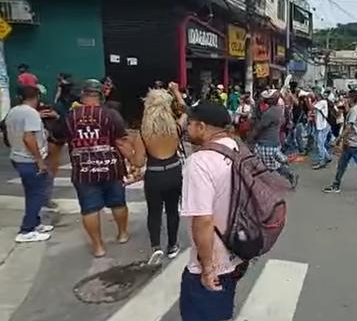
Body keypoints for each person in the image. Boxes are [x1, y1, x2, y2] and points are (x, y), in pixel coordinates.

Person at [179, 103, 244, 321]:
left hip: (214, 259)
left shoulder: (200, 162)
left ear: (202, 126)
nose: (187, 129)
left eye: (190, 124)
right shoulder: (238, 149)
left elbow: (203, 220)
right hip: (239, 248)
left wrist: (207, 268)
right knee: (222, 309)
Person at [61, 79, 133, 257]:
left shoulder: (70, 117)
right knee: (118, 203)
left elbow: (55, 141)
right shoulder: (111, 115)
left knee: (89, 209)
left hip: (83, 171)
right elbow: (122, 142)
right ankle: (122, 234)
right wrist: (133, 161)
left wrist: (49, 164)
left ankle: (98, 246)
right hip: (111, 168)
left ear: (82, 96)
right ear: (100, 96)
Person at [130, 83, 186, 263]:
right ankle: (172, 245)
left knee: (154, 212)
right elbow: (187, 112)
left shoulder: (142, 133)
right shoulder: (175, 128)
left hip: (154, 175)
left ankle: (156, 247)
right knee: (172, 211)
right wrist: (177, 92)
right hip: (174, 172)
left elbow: (138, 162)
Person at [5, 86, 54, 243]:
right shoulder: (31, 113)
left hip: (17, 157)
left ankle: (35, 222)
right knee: (36, 195)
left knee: (32, 193)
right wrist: (39, 161)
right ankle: (26, 230)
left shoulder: (13, 111)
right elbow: (28, 138)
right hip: (29, 160)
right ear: (37, 96)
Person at [248, 90, 298, 188]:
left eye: (267, 99)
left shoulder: (270, 113)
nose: (264, 100)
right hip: (273, 141)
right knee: (269, 164)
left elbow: (259, 127)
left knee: (270, 165)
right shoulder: (279, 109)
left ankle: (289, 175)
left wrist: (250, 139)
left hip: (265, 143)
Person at [311, 86, 332, 170]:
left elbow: (311, 107)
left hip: (322, 126)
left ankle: (321, 161)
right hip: (322, 125)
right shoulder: (322, 101)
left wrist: (308, 100)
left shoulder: (322, 102)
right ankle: (327, 157)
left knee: (320, 144)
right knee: (320, 143)